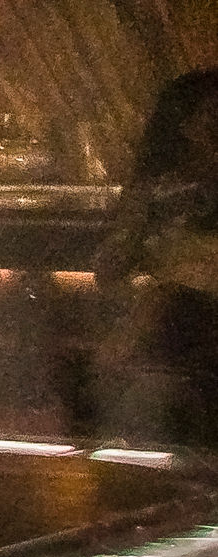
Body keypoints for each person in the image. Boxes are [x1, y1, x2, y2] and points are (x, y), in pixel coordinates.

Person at [90, 68, 218, 448]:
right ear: (181, 123)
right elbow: (109, 268)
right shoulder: (151, 187)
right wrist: (129, 244)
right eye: (208, 115)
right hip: (161, 319)